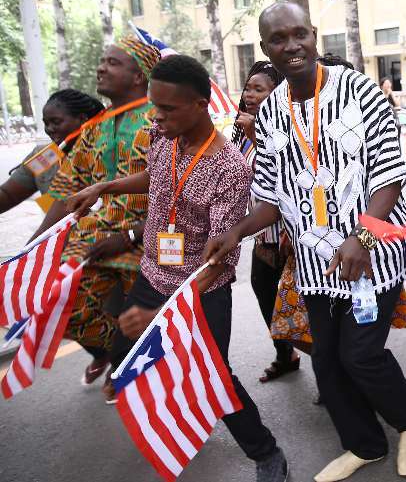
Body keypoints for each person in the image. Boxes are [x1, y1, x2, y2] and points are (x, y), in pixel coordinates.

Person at [204, 2, 406, 482]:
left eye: (298, 34)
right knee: (326, 360)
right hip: (312, 261)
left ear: (313, 34)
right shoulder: (269, 114)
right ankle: (363, 445)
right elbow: (268, 194)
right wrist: (236, 231)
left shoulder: (361, 90)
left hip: (374, 253)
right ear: (265, 49)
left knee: (361, 354)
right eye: (278, 40)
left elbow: (390, 175)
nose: (291, 46)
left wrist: (362, 236)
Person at [66, 55, 288, 482]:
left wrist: (164, 317)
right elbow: (157, 177)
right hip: (153, 274)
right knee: (127, 354)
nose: (157, 116)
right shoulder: (163, 135)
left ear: (201, 104)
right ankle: (182, 417)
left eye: (167, 109)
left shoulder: (230, 169)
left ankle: (266, 453)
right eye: (155, 106)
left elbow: (217, 259)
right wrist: (104, 186)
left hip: (200, 290)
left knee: (214, 376)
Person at [34, 36, 160, 400]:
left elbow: (180, 194)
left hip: (153, 244)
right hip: (93, 242)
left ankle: (141, 367)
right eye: (102, 61)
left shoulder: (161, 121)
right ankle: (120, 354)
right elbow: (63, 196)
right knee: (57, 307)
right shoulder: (91, 130)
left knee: (152, 320)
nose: (101, 68)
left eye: (113, 63)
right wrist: (36, 250)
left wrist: (131, 236)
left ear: (138, 76)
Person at [231, 61, 301, 384]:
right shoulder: (241, 133)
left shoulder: (287, 128)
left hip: (291, 239)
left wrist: (256, 135)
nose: (250, 95)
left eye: (259, 89)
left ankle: (333, 376)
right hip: (262, 239)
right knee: (267, 300)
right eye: (248, 88)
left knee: (301, 311)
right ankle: (285, 356)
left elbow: (288, 175)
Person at [0, 89, 104, 213]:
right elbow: (8, 195)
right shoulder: (48, 155)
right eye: (46, 123)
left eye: (56, 122)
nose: (49, 129)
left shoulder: (108, 153)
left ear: (83, 119)